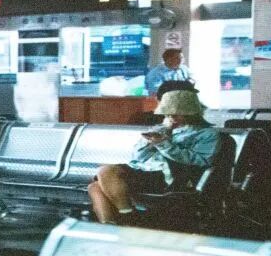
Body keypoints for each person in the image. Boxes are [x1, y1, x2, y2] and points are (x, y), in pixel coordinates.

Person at [87, 88, 221, 225]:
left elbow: (200, 161)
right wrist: (151, 141)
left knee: (106, 171)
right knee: (94, 186)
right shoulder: (162, 128)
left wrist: (163, 144)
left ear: (190, 113)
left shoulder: (207, 134)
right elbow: (137, 157)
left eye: (176, 114)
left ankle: (128, 218)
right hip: (145, 170)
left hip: (171, 175)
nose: (171, 117)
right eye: (168, 114)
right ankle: (112, 225)